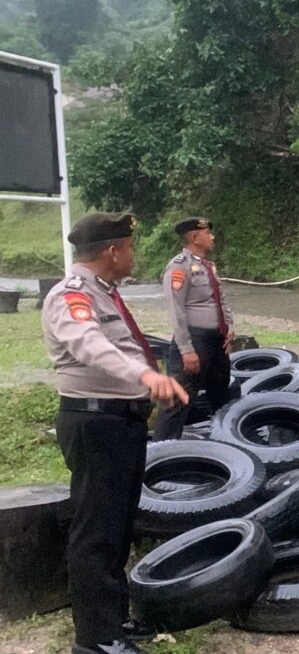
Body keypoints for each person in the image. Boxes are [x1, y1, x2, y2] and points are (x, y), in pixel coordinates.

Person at [41, 212, 188, 654]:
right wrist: (144, 377)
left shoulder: (105, 293)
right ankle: (96, 639)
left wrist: (148, 384)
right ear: (112, 251)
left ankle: (114, 620)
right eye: (129, 246)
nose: (132, 254)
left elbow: (121, 347)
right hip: (93, 422)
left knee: (119, 525)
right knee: (97, 532)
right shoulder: (71, 296)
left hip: (120, 420)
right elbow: (89, 343)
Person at [152, 216, 234, 440]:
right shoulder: (179, 266)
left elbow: (220, 300)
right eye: (208, 233)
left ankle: (226, 447)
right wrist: (186, 349)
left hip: (217, 342)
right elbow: (176, 310)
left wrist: (229, 328)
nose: (213, 237)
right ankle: (163, 451)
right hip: (195, 342)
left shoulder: (209, 266)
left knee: (221, 397)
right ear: (194, 237)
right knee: (180, 400)